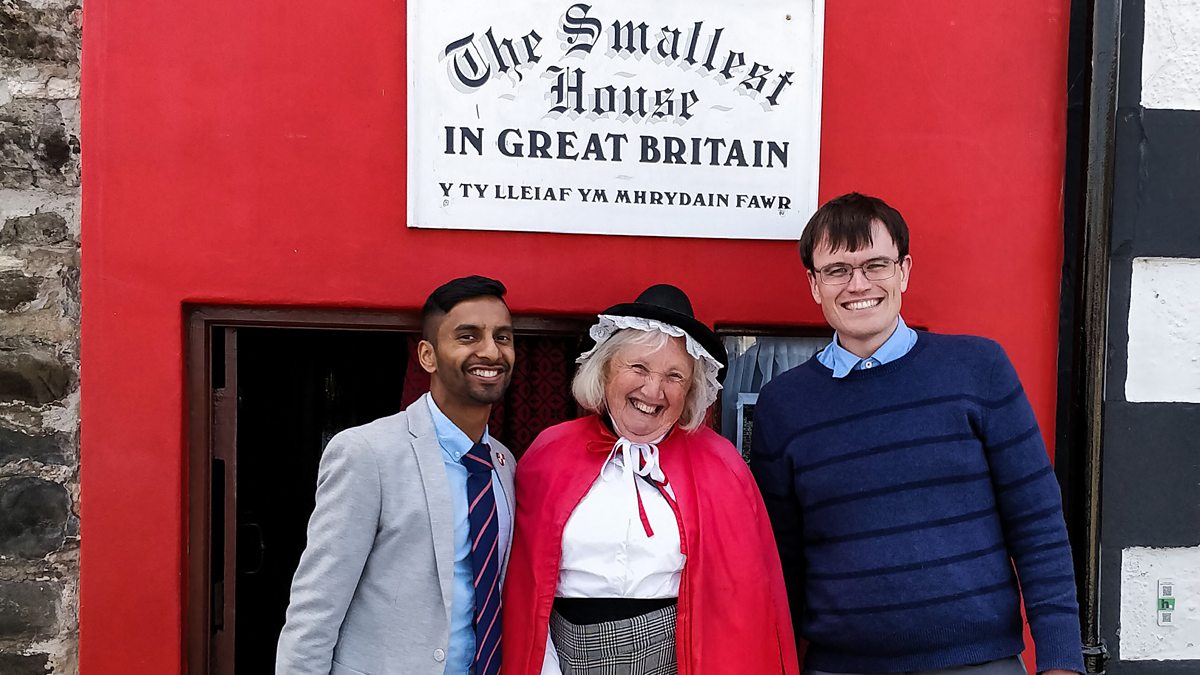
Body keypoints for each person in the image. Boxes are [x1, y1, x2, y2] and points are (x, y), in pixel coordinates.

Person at [750, 193, 1084, 675]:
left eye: (876, 265)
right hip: (842, 666)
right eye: (838, 270)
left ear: (903, 271)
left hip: (979, 662)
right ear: (814, 284)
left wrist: (1061, 661)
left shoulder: (979, 369)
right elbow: (781, 561)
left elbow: (1038, 525)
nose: (858, 284)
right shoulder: (783, 405)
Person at [503, 284, 801, 675]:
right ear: (605, 368)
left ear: (691, 390)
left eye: (674, 376)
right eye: (639, 368)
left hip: (679, 661)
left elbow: (747, 600)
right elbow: (522, 586)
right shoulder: (550, 452)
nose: (653, 390)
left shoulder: (721, 464)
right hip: (561, 661)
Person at [276, 275, 517, 675]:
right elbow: (316, 608)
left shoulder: (504, 463)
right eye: (468, 336)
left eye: (503, 337)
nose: (491, 351)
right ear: (428, 356)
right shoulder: (367, 452)